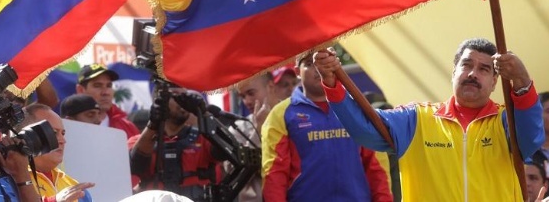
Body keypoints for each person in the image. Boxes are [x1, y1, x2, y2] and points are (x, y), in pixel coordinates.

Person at [313, 38, 545, 201]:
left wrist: (522, 80)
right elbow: (365, 129)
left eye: (484, 69)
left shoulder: (506, 121)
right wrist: (332, 83)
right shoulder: (417, 119)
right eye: (466, 64)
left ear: (495, 82)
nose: (473, 73)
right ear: (453, 71)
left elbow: (531, 138)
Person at [262, 51, 393, 201]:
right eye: (310, 64)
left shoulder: (358, 107)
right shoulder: (281, 114)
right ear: (297, 71)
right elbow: (274, 174)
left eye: (323, 60)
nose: (318, 68)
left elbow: (377, 167)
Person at [0, 104, 95, 201]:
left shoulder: (76, 189)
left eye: (62, 133)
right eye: (53, 133)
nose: (62, 140)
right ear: (26, 136)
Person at [128, 88, 221, 201]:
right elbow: (135, 166)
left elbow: (228, 152)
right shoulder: (139, 141)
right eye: (177, 96)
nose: (183, 102)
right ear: (159, 101)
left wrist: (204, 113)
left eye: (185, 96)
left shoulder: (204, 139)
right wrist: (153, 124)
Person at [229, 72, 292, 202]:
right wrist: (259, 130)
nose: (246, 101)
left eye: (251, 93)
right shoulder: (238, 128)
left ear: (270, 86)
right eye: (242, 96)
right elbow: (234, 174)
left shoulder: (296, 118)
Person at [76, 63, 139, 138]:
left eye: (109, 86)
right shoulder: (66, 128)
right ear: (80, 90)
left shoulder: (128, 127)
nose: (105, 92)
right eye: (97, 86)